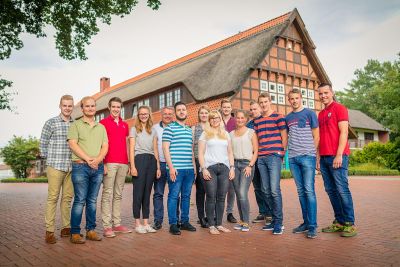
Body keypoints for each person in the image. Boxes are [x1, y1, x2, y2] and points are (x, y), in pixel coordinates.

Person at [317, 83, 357, 237]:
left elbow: (344, 132)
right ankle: (339, 222)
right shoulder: (320, 114)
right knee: (331, 190)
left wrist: (339, 154)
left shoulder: (340, 108)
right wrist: (318, 158)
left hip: (338, 156)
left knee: (342, 189)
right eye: (320, 94)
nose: (323, 96)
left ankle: (350, 223)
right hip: (325, 157)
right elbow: (320, 138)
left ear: (332, 92)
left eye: (326, 93)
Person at [67, 96, 109, 244]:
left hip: (97, 167)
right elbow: (72, 144)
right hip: (80, 167)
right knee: (80, 200)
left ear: (95, 108)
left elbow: (105, 146)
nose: (90, 108)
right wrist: (87, 159)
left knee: (92, 201)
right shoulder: (76, 125)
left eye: (93, 106)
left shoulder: (101, 127)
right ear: (82, 108)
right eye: (87, 106)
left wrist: (97, 160)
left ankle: (91, 230)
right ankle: (75, 233)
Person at [40, 95, 74, 244]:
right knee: (53, 198)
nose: (67, 108)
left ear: (73, 107)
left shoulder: (76, 124)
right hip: (55, 165)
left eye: (70, 106)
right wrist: (49, 159)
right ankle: (49, 230)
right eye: (64, 105)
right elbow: (43, 143)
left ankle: (66, 227)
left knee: (67, 199)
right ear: (60, 106)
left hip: (71, 167)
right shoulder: (51, 122)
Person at [286, 89, 319, 239]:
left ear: (301, 99)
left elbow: (316, 135)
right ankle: (306, 223)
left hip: (307, 157)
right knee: (301, 192)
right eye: (291, 99)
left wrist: (312, 153)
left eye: (296, 98)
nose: (294, 101)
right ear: (289, 101)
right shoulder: (288, 118)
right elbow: (288, 136)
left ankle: (312, 226)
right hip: (293, 158)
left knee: (309, 191)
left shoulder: (310, 114)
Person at [254, 92, 287, 235]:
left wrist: (282, 153)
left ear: (270, 102)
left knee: (274, 190)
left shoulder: (278, 117)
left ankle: (279, 222)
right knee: (265, 190)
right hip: (261, 158)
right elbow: (256, 139)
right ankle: (272, 220)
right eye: (261, 102)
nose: (263, 104)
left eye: (265, 102)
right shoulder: (257, 121)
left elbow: (284, 135)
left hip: (274, 156)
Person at [162, 101, 197, 235]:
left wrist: (194, 168)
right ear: (175, 113)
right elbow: (165, 148)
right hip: (175, 169)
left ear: (186, 112)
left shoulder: (189, 130)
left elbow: (190, 150)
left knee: (187, 196)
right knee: (174, 196)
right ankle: (173, 223)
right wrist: (171, 167)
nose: (182, 111)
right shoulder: (169, 128)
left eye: (184, 109)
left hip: (189, 169)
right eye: (179, 110)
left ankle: (185, 221)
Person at [198, 110, 235, 235]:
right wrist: (203, 169)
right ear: (209, 120)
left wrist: (232, 167)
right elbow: (200, 153)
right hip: (210, 168)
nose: (215, 120)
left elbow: (230, 152)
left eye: (217, 118)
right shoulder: (205, 134)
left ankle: (219, 224)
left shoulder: (225, 134)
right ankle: (211, 226)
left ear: (220, 119)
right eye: (212, 118)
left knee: (221, 197)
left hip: (224, 168)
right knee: (211, 196)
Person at [100, 97, 131, 238]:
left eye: (118, 107)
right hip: (109, 163)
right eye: (114, 107)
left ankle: (117, 224)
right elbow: (100, 145)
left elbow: (126, 144)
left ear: (121, 108)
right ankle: (107, 226)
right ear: (109, 107)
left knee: (118, 194)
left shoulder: (125, 125)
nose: (116, 109)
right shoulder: (103, 124)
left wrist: (129, 162)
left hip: (123, 163)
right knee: (107, 194)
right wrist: (103, 163)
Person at [129, 106, 161, 234]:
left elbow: (155, 149)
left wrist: (158, 166)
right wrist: (132, 166)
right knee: (138, 193)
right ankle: (137, 224)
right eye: (141, 114)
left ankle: (146, 223)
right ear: (138, 115)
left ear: (149, 115)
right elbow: (131, 149)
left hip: (151, 161)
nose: (143, 116)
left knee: (147, 193)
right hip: (139, 160)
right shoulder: (134, 129)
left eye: (146, 114)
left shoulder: (152, 130)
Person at [230, 110, 258, 232]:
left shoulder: (251, 132)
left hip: (247, 164)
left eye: (242, 118)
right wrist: (231, 166)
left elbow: (256, 151)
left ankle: (246, 222)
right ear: (235, 119)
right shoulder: (230, 134)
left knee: (242, 192)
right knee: (237, 193)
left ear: (246, 119)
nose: (239, 120)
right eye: (238, 118)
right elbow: (229, 152)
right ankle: (241, 220)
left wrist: (250, 165)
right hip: (235, 164)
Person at [247, 101, 272, 224]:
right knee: (257, 187)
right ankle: (262, 212)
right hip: (252, 159)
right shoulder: (249, 125)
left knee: (265, 186)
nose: (253, 111)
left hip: (263, 157)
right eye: (251, 109)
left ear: (260, 109)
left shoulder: (265, 120)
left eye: (255, 109)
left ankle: (269, 213)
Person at [152, 106, 175, 230]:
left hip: (174, 166)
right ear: (161, 115)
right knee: (158, 193)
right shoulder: (155, 128)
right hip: (160, 164)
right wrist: (156, 167)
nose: (167, 116)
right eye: (165, 113)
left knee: (175, 193)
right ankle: (158, 220)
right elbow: (153, 148)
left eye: (170, 114)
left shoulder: (177, 127)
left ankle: (174, 220)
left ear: (173, 115)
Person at [192, 105, 210, 228]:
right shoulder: (194, 128)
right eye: (201, 113)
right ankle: (201, 217)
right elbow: (192, 148)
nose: (204, 115)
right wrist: (194, 164)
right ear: (199, 115)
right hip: (199, 161)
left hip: (211, 162)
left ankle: (210, 215)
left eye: (206, 113)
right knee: (200, 190)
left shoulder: (213, 127)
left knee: (211, 190)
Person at [220, 99, 237, 224]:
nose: (226, 109)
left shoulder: (236, 122)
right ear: (221, 108)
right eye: (224, 107)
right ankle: (215, 212)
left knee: (231, 188)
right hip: (219, 158)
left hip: (232, 157)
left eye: (228, 107)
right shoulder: (216, 120)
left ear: (231, 109)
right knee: (218, 188)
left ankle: (229, 212)